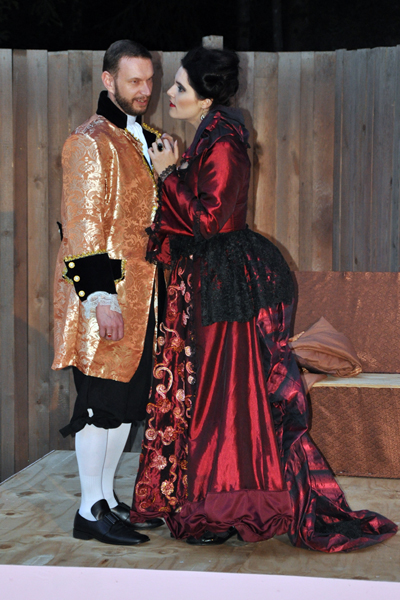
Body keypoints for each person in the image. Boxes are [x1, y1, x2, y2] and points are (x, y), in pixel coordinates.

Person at [130, 46, 397, 551]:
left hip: (228, 285)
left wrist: (167, 174)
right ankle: (202, 499)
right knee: (213, 391)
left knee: (224, 396)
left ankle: (226, 506)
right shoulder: (208, 136)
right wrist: (176, 168)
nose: (170, 94)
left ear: (205, 98)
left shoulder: (224, 142)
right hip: (214, 279)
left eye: (180, 87)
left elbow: (208, 221)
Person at [52, 39, 165, 545]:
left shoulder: (147, 139)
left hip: (144, 298)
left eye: (149, 80)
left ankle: (107, 500)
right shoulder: (89, 141)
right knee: (99, 404)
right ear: (108, 80)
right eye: (134, 81)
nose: (145, 90)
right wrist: (102, 299)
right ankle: (88, 510)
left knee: (124, 403)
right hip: (105, 299)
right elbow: (81, 226)